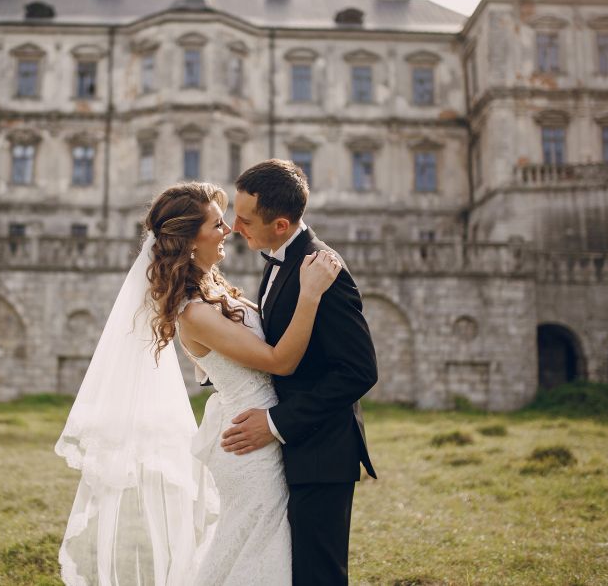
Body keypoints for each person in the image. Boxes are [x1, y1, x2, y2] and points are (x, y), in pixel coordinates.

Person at [56, 181, 341, 585]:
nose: (228, 230)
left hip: (256, 432)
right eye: (216, 224)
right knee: (259, 553)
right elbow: (280, 360)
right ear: (190, 240)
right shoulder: (194, 312)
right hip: (250, 449)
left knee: (251, 552)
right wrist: (310, 295)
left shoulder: (213, 290)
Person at [222, 159, 378, 585]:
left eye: (245, 219)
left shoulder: (323, 269)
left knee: (318, 577)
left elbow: (359, 370)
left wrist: (274, 424)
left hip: (322, 454)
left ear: (281, 224)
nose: (234, 227)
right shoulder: (277, 258)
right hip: (290, 454)